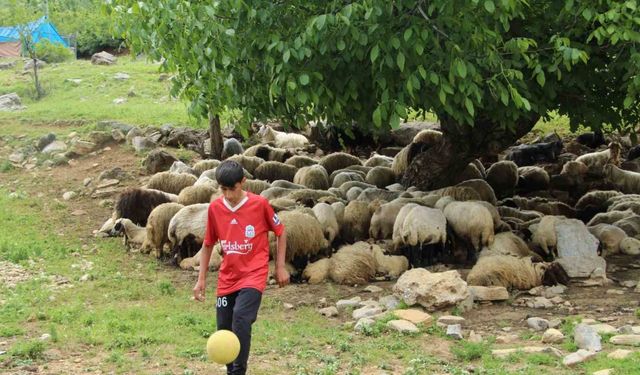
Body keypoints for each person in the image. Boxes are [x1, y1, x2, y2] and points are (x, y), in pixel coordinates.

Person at [193, 160, 289, 375]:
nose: (227, 194)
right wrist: (201, 280)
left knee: (241, 318)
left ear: (243, 182)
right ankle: (231, 371)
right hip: (227, 278)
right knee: (224, 330)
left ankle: (238, 371)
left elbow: (281, 231)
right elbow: (208, 244)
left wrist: (280, 267)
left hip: (253, 275)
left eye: (232, 189)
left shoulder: (260, 204)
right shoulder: (215, 208)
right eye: (223, 189)